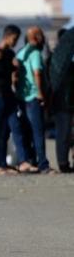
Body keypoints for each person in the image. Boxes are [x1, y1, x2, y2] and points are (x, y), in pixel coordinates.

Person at [0, 25, 36, 175]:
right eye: (15, 39)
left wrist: (16, 69)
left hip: (8, 94)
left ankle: (23, 162)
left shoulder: (10, 53)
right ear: (8, 36)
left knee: (15, 126)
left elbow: (13, 75)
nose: (16, 42)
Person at [15, 27, 54, 174]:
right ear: (36, 37)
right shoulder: (36, 53)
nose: (43, 38)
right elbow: (37, 73)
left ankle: (30, 161)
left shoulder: (21, 53)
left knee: (27, 132)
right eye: (42, 35)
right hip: (33, 97)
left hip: (22, 98)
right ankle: (43, 164)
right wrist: (40, 93)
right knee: (38, 132)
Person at [51, 28, 74, 172]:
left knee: (64, 133)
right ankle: (63, 163)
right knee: (64, 132)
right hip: (63, 101)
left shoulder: (59, 58)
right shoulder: (59, 61)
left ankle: (64, 162)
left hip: (63, 100)